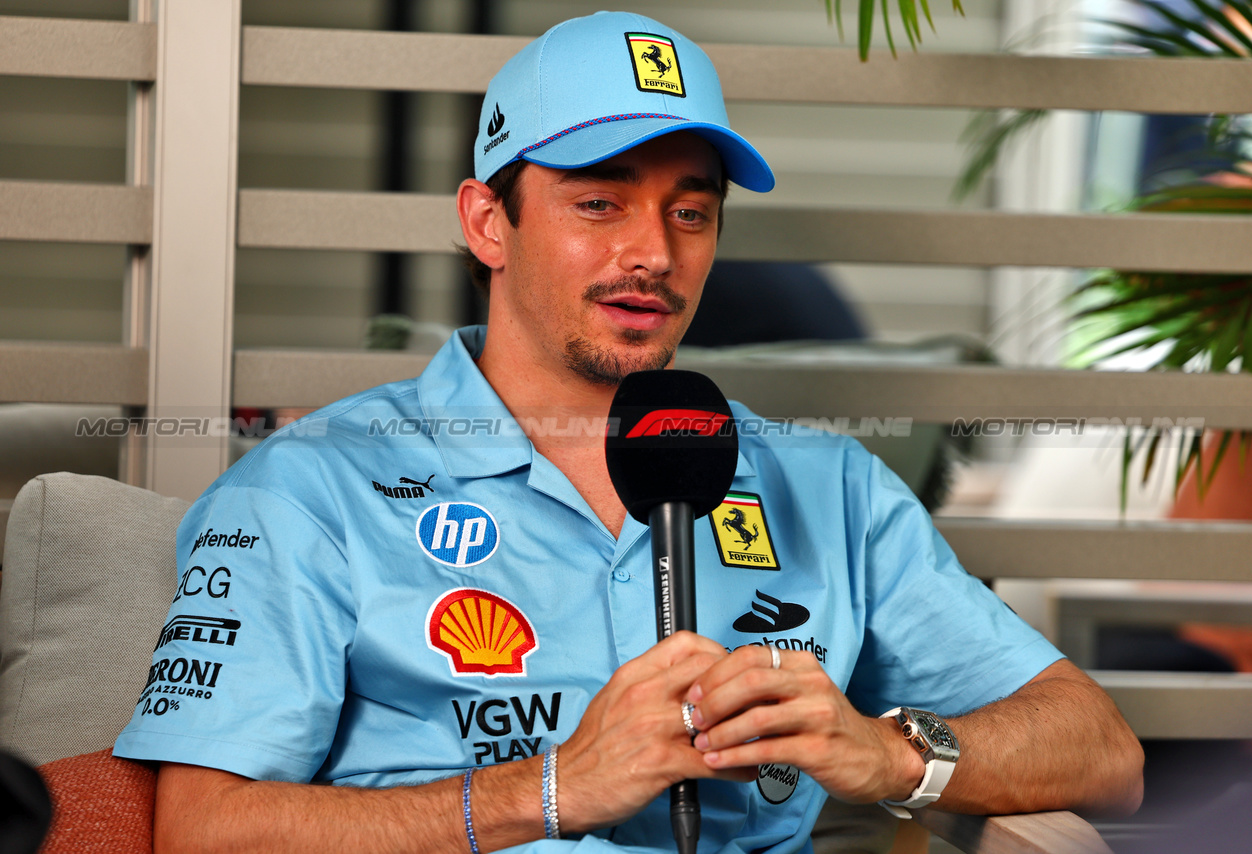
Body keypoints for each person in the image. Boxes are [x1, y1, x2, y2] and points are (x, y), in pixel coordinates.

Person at [113, 11, 1143, 854]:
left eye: (688, 213)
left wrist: (891, 752)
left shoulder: (824, 484)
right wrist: (551, 788)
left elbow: (1100, 749)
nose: (651, 252)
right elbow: (204, 826)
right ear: (485, 222)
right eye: (598, 203)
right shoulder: (310, 487)